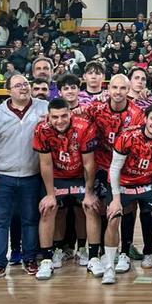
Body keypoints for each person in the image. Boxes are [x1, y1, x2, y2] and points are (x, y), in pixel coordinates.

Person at [0, 75, 49, 280]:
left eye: (26, 84)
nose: (23, 88)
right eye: (18, 85)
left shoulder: (43, 107)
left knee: (30, 220)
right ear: (8, 90)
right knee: (1, 222)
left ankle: (29, 258)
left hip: (32, 175)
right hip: (2, 176)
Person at [103, 104, 152, 284]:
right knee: (113, 218)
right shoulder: (127, 136)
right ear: (145, 119)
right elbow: (114, 168)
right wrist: (116, 199)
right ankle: (109, 268)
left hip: (146, 184)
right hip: (122, 185)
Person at [82, 74, 143, 276]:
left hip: (125, 168)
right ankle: (97, 254)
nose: (118, 92)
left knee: (127, 208)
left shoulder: (137, 113)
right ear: (108, 89)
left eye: (122, 88)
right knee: (97, 208)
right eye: (114, 88)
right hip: (101, 165)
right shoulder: (96, 108)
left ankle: (124, 252)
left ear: (128, 90)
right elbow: (75, 116)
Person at [31, 98, 97, 279]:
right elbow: (45, 164)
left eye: (64, 116)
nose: (60, 121)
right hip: (57, 176)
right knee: (50, 209)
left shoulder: (84, 126)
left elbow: (89, 163)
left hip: (79, 175)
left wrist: (89, 192)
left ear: (70, 113)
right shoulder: (41, 129)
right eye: (55, 117)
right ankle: (49, 257)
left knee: (87, 208)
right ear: (49, 116)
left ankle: (85, 252)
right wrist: (50, 194)